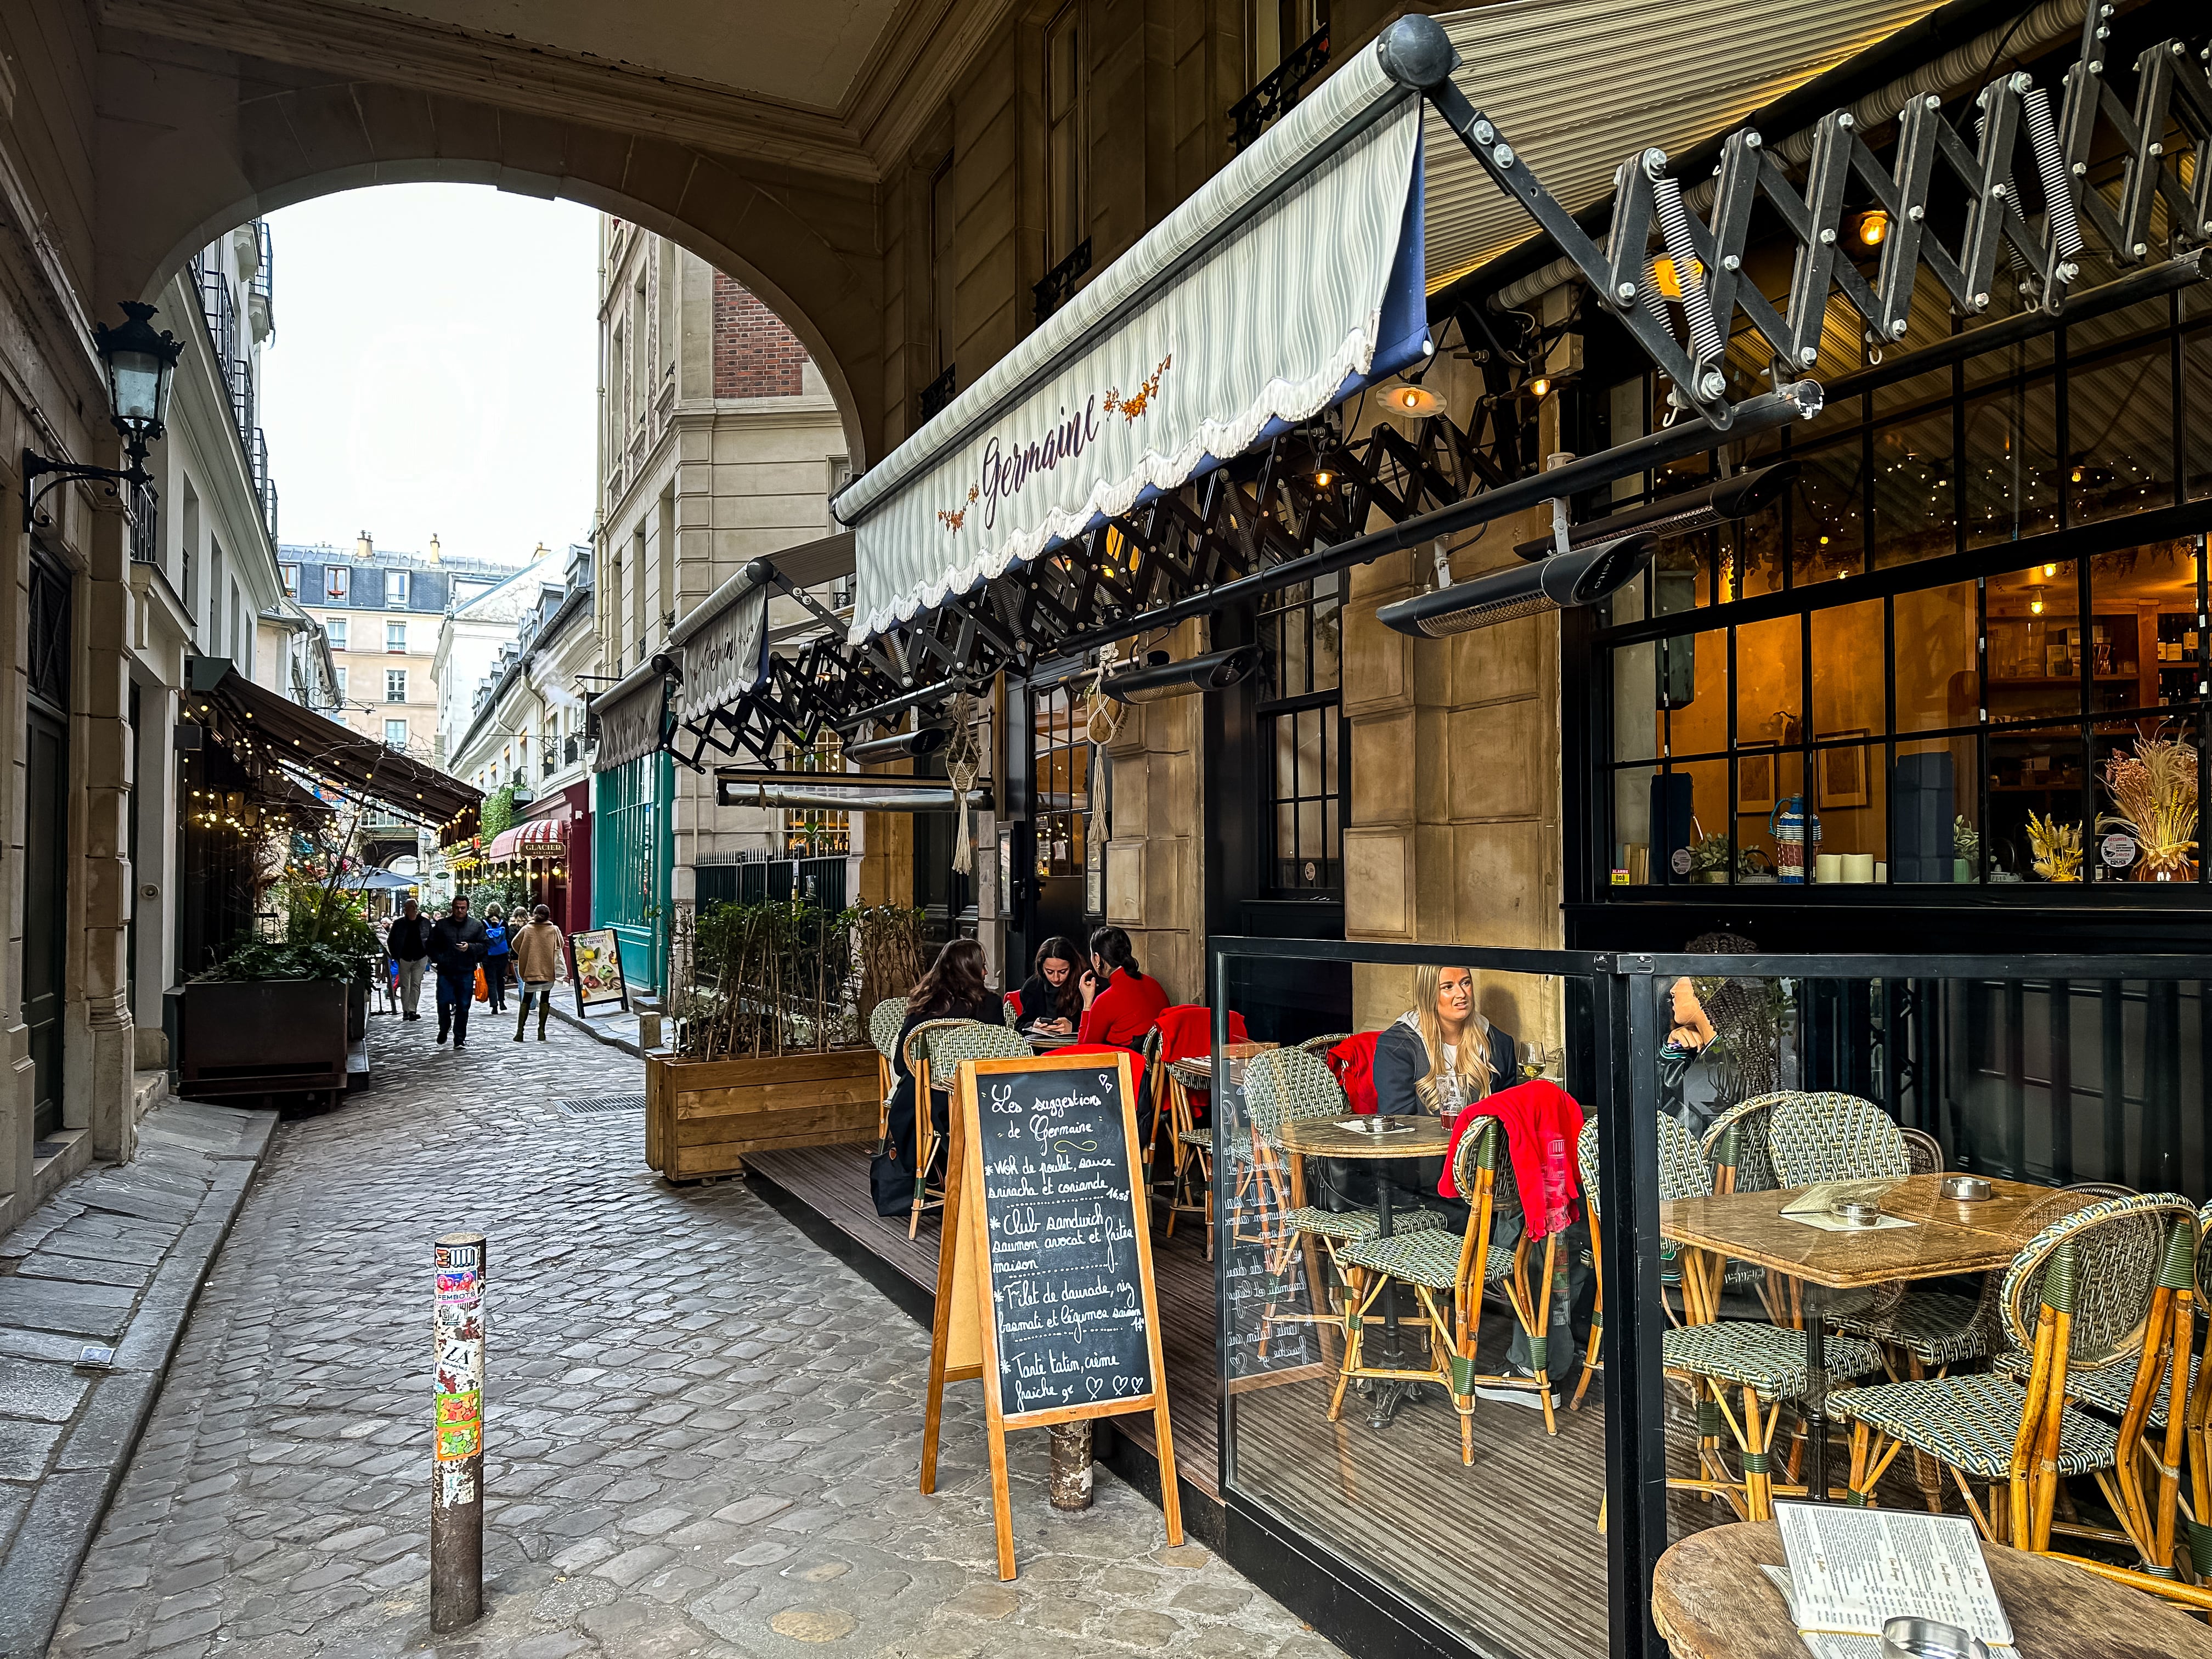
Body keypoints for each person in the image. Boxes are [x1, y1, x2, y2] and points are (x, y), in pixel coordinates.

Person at [868, 938, 1000, 1218]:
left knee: (914, 1106)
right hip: (982, 1102)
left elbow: (902, 1063)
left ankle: (933, 1176)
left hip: (929, 1105)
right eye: (983, 967)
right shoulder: (991, 1006)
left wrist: (932, 1076)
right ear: (972, 971)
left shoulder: (926, 1006)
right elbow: (1000, 1055)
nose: (986, 973)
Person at [1073, 926, 1169, 1050]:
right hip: (1158, 1066)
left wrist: (1087, 1004)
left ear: (1097, 958)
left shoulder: (1106, 1000)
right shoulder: (1154, 984)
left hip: (1127, 1067)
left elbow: (1085, 1052)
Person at [427, 895, 490, 1049]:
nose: (460, 910)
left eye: (463, 908)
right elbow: (430, 945)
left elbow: (485, 944)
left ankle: (460, 1039)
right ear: (452, 908)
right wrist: (439, 958)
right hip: (446, 971)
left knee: (463, 1005)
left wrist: (470, 947)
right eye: (457, 907)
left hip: (466, 970)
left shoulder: (475, 926)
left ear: (467, 908)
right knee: (442, 1002)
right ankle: (445, 1026)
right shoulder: (442, 926)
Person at [509, 903, 568, 1042]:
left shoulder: (527, 929)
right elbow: (561, 945)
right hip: (548, 970)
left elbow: (515, 944)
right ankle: (541, 1031)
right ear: (548, 916)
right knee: (545, 999)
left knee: (526, 1000)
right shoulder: (554, 930)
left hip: (531, 970)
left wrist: (526, 954)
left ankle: (520, 1032)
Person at [1012, 935, 1084, 1035]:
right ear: (1042, 968)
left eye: (1063, 972)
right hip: (1040, 1048)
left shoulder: (1085, 984)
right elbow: (1020, 1027)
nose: (1056, 978)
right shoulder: (1032, 987)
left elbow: (1098, 1025)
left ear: (1072, 967)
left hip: (1076, 1048)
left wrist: (1074, 1027)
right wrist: (1033, 1026)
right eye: (1049, 972)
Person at [385, 898, 432, 1021]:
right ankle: (406, 1010)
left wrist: (430, 953)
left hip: (421, 957)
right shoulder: (399, 923)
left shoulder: (424, 922)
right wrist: (396, 956)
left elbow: (431, 938)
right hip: (404, 957)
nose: (413, 910)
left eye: (414, 907)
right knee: (405, 985)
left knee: (416, 984)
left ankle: (412, 1010)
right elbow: (391, 941)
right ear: (406, 910)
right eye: (410, 908)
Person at [482, 906, 511, 1013]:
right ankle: (502, 1002)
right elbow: (508, 938)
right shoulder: (503, 923)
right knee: (500, 979)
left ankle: (494, 1005)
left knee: (491, 981)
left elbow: (481, 939)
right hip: (502, 955)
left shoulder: (484, 923)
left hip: (488, 956)